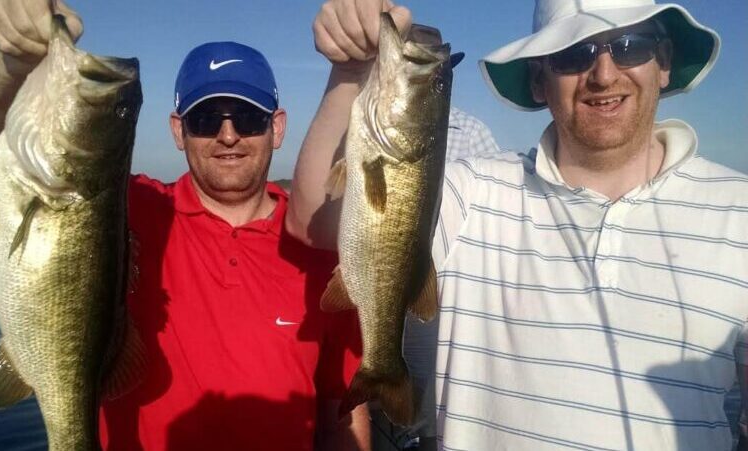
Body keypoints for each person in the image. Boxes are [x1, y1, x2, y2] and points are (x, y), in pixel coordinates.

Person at [287, 0, 748, 450]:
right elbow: (311, 219)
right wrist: (349, 71)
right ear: (538, 80)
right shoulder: (474, 193)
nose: (604, 73)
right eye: (574, 54)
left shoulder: (740, 210)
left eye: (630, 45)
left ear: (664, 63)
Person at [0, 0, 371, 450]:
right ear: (177, 130)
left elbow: (342, 404)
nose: (228, 135)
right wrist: (15, 60)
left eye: (247, 118)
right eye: (206, 120)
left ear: (277, 128)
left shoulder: (320, 245)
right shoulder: (123, 206)